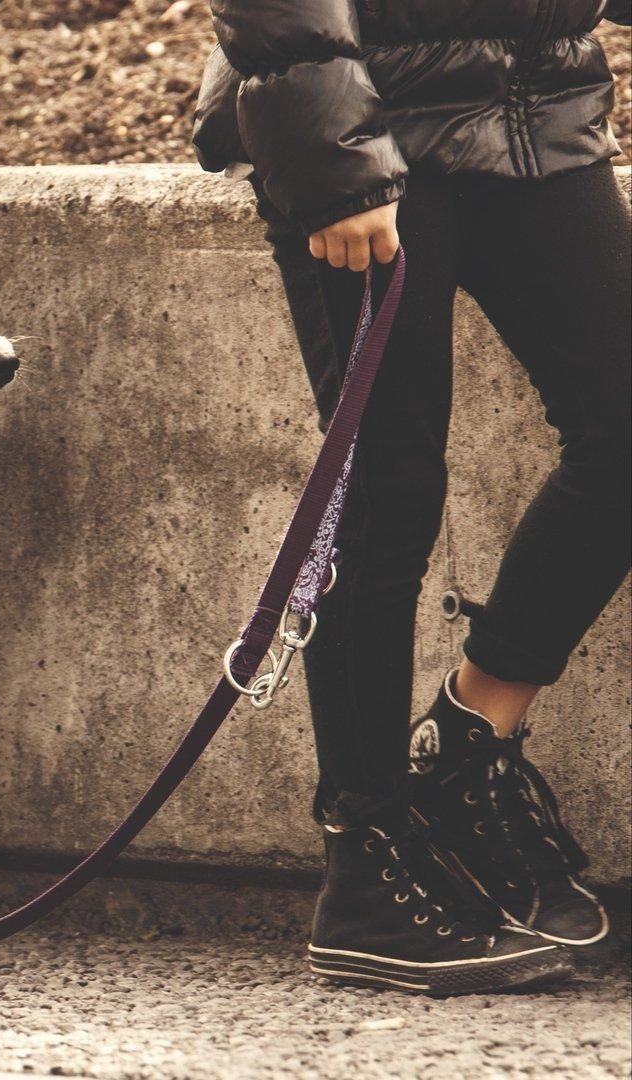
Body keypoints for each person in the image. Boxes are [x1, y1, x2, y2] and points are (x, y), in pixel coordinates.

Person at [192, 0, 630, 994]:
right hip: (371, 125)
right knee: (388, 494)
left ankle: (472, 744)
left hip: (540, 107)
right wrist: (330, 153)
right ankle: (367, 864)